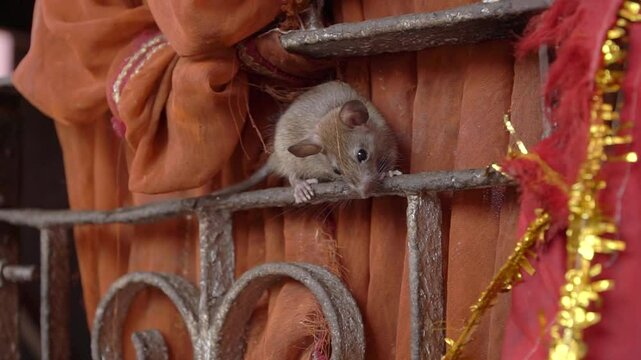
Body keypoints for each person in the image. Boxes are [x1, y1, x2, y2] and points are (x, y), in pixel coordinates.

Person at [14, 0, 541, 358]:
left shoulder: (368, 124)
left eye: (359, 162)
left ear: (363, 120)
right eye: (345, 170)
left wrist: (379, 167)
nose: (361, 185)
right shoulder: (316, 144)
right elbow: (297, 152)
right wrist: (304, 180)